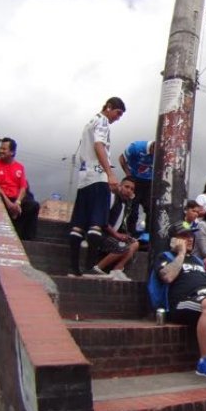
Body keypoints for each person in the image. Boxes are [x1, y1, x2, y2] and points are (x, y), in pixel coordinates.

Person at [67, 97, 126, 277]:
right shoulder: (102, 122)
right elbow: (99, 144)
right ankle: (90, 266)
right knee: (96, 224)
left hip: (84, 177)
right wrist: (109, 172)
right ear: (109, 107)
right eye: (117, 113)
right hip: (98, 175)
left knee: (78, 225)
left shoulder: (89, 123)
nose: (118, 118)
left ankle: (73, 268)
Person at [158, 222, 206, 380]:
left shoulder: (197, 261)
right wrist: (180, 254)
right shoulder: (166, 257)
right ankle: (205, 361)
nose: (189, 239)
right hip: (183, 302)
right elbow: (167, 277)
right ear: (173, 240)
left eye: (191, 236)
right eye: (184, 236)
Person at [0, 137, 41, 240]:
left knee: (34, 205)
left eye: (4, 149)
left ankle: (28, 240)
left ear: (12, 152)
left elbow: (23, 187)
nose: (1, 151)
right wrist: (9, 204)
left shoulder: (19, 167)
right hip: (2, 198)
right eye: (0, 148)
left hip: (16, 199)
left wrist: (17, 203)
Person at [91, 177, 139, 280]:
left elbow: (128, 222)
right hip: (100, 234)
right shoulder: (112, 198)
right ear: (120, 186)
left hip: (112, 236)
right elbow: (103, 221)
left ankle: (117, 270)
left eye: (132, 189)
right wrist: (117, 235)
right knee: (123, 247)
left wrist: (126, 236)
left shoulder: (126, 205)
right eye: (127, 187)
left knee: (134, 243)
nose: (129, 190)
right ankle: (97, 268)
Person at [117, 140, 154, 236]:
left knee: (150, 208)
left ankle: (147, 235)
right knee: (133, 209)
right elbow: (121, 159)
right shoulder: (136, 147)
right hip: (135, 180)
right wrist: (129, 175)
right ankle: (130, 233)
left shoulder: (162, 153)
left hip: (149, 181)